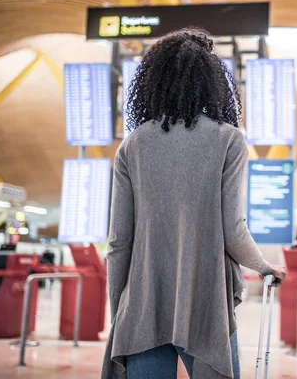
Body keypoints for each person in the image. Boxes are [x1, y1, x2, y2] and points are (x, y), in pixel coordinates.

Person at [102, 28, 286, 379]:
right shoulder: (228, 140)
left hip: (143, 307)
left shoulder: (133, 145)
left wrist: (120, 312)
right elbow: (233, 230)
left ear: (153, 81)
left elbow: (118, 243)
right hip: (205, 306)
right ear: (210, 82)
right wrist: (264, 267)